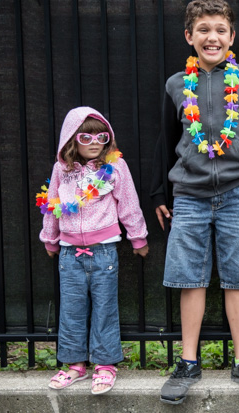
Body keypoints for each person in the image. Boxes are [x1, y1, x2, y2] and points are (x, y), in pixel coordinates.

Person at [150, 0, 239, 404]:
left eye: (219, 30)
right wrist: (159, 191)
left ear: (232, 37)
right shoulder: (176, 85)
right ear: (189, 36)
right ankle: (188, 362)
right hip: (188, 197)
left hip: (238, 194)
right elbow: (166, 139)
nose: (211, 37)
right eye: (203, 29)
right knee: (189, 277)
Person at [37, 107, 149, 395]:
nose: (95, 142)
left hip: (104, 252)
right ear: (71, 139)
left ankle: (105, 365)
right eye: (86, 137)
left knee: (104, 309)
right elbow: (52, 205)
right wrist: (50, 239)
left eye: (102, 136)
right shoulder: (61, 170)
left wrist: (138, 237)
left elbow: (129, 202)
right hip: (68, 254)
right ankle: (75, 365)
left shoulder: (115, 167)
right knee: (71, 310)